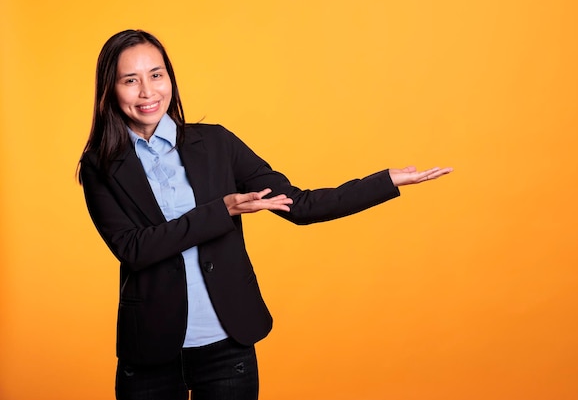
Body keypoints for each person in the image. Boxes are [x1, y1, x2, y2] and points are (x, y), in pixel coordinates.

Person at [79, 29, 452, 400]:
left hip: (227, 347)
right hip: (149, 352)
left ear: (170, 79)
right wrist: (221, 210)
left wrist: (385, 181)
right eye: (131, 80)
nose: (148, 92)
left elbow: (300, 205)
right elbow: (134, 249)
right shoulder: (101, 164)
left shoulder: (215, 143)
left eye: (157, 75)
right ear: (111, 89)